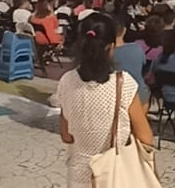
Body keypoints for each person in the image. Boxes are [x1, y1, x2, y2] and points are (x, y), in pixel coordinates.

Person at [57, 13, 154, 187]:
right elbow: (146, 138)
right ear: (111, 47)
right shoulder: (123, 83)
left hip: (79, 175)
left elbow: (66, 135)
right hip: (114, 175)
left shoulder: (66, 81)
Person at [112, 22, 149, 105]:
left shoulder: (105, 54)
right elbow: (143, 64)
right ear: (124, 30)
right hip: (139, 94)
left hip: (115, 96)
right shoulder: (137, 48)